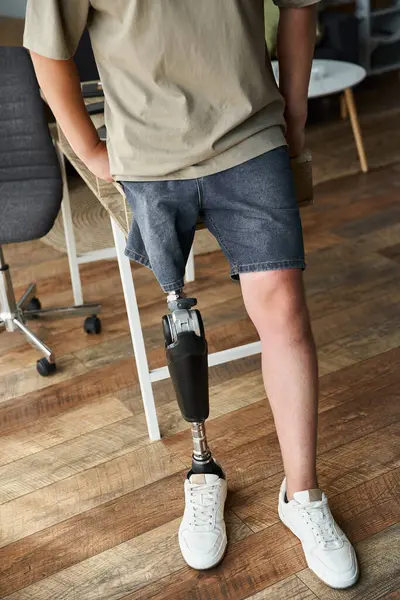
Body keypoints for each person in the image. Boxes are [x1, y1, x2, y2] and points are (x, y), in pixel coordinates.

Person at [24, 0, 359, 589]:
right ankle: (203, 474)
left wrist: (297, 115)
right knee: (178, 318)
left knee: (284, 306)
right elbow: (47, 46)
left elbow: (299, 7)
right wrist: (93, 151)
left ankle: (301, 493)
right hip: (148, 153)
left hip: (249, 133)